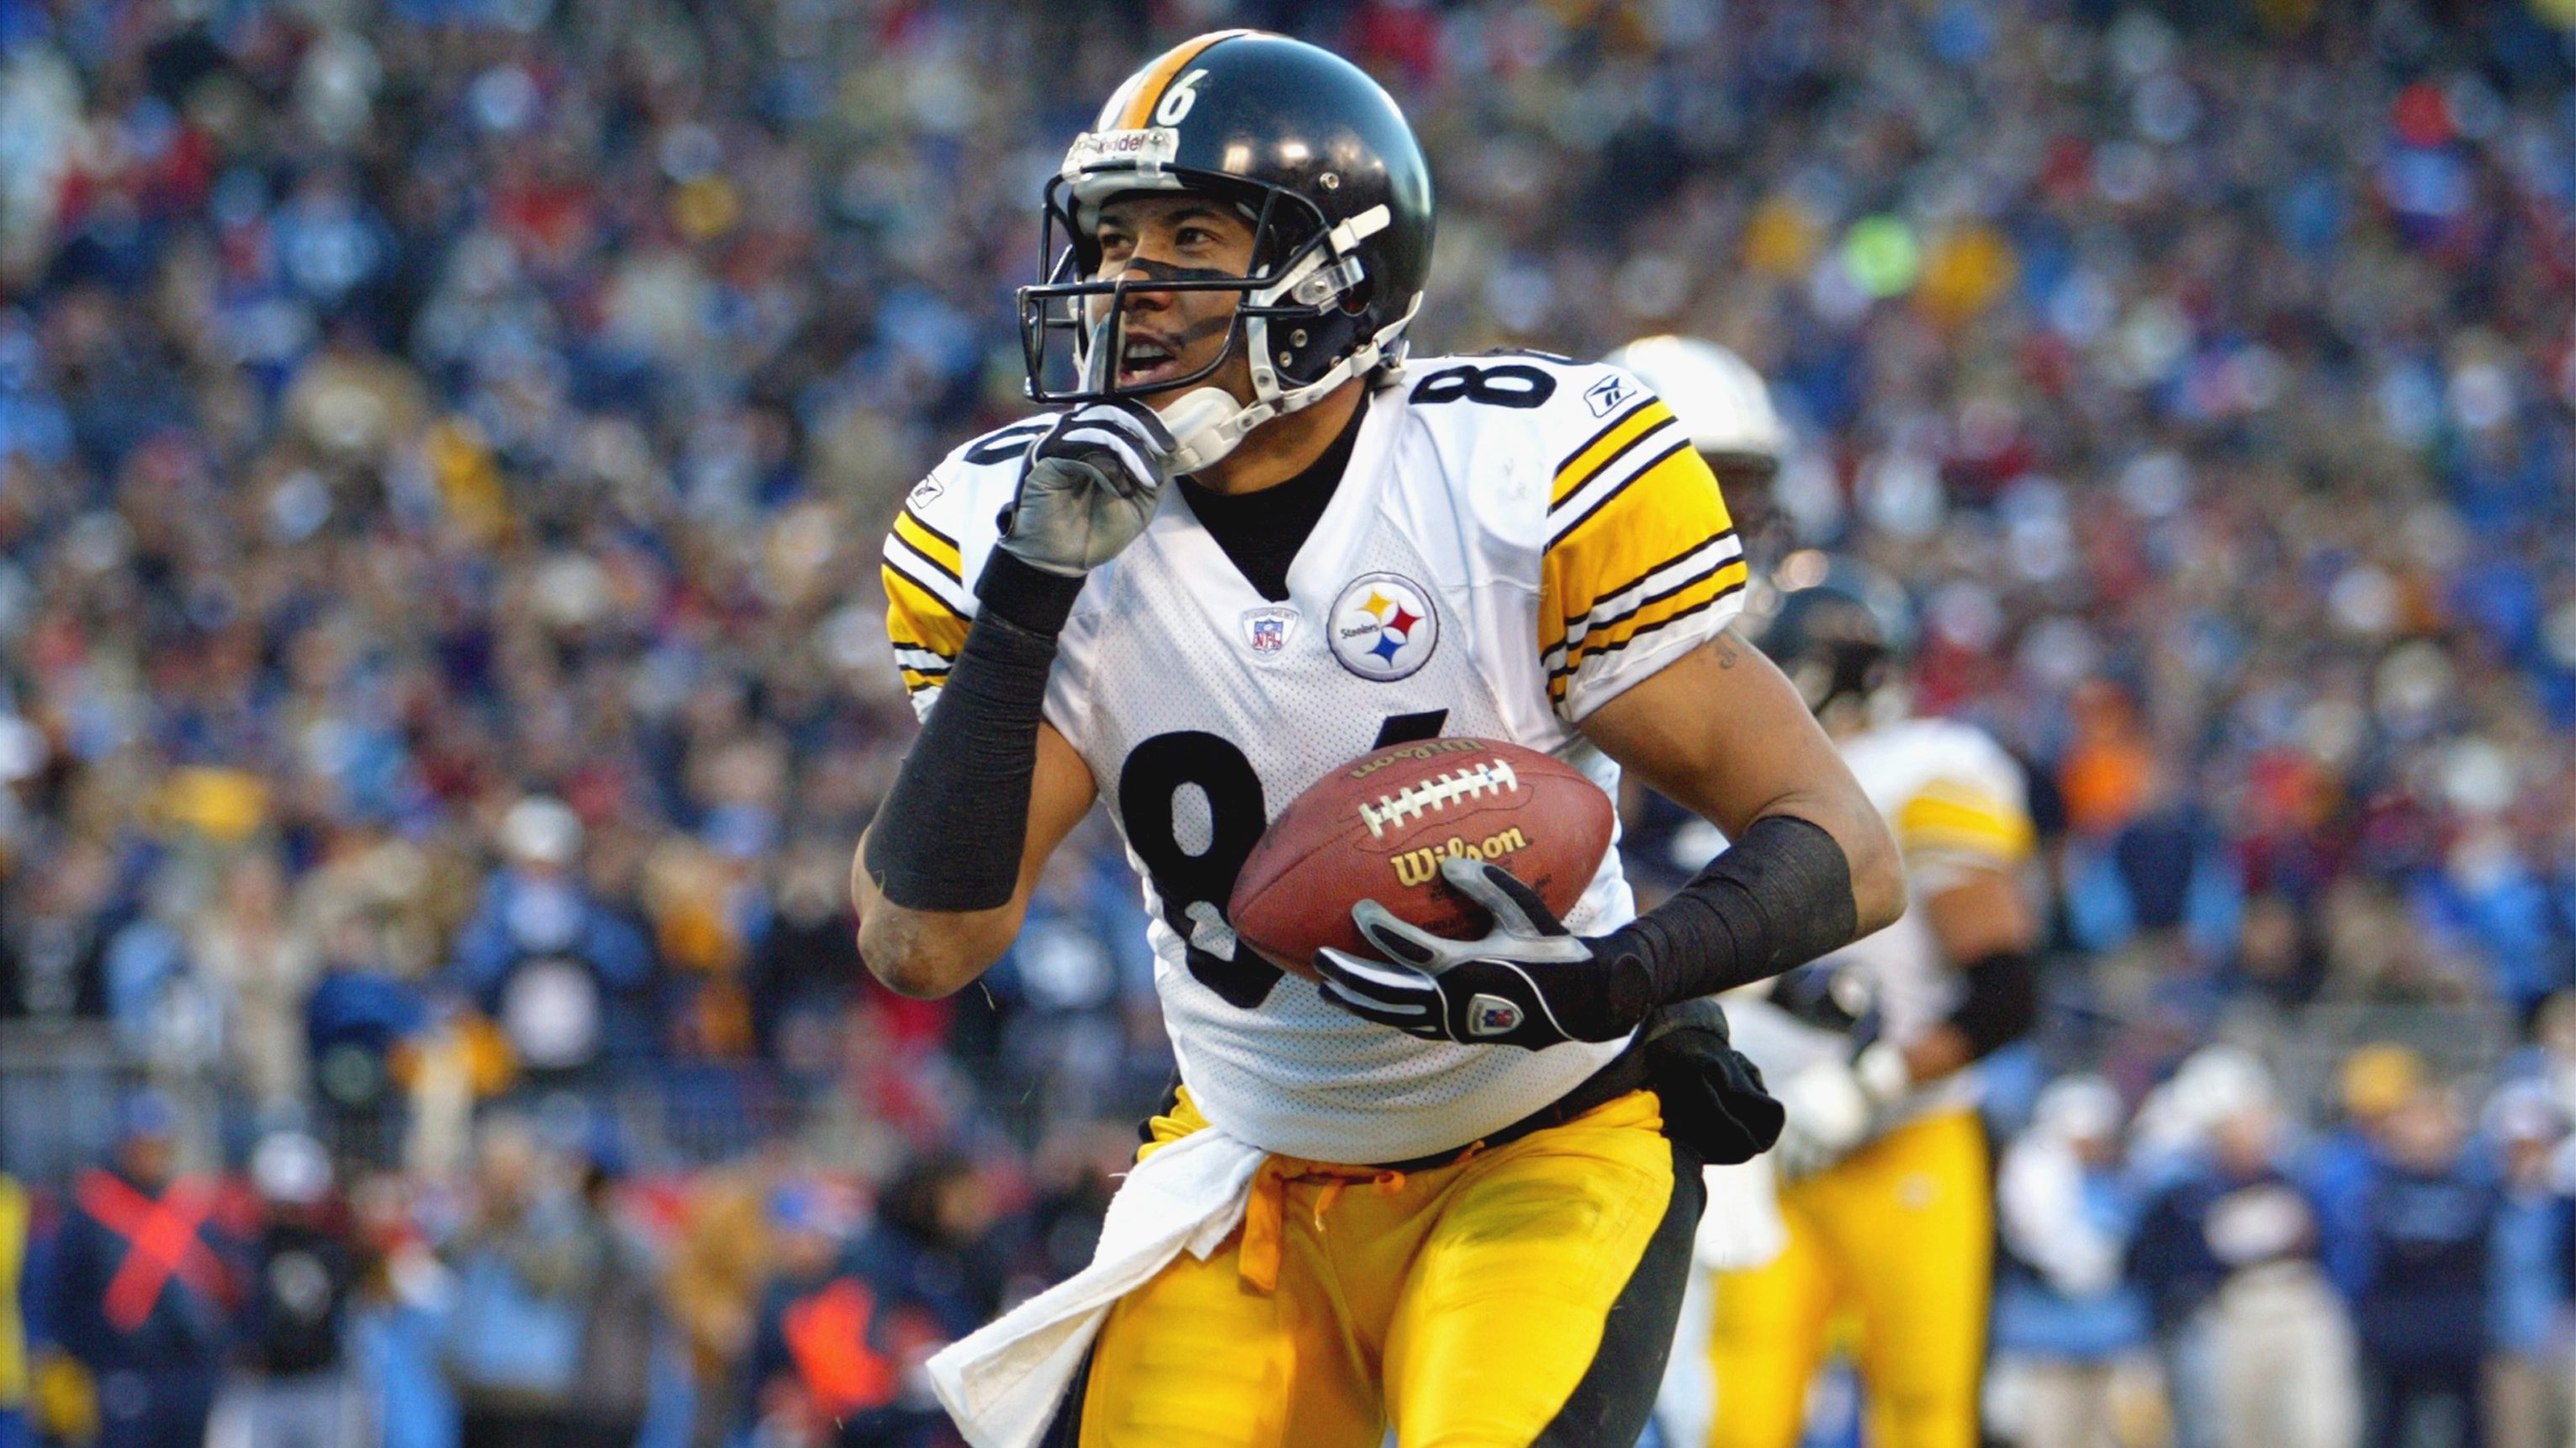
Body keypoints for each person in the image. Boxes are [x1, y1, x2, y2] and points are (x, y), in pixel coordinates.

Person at [852, 29, 1902, 1448]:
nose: (1124, 286)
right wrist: (1031, 587)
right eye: (1112, 240)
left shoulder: (1515, 473)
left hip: (1546, 1136)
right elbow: (924, 946)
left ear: (1333, 270)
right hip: (1254, 1164)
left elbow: (1844, 844)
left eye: (1188, 235)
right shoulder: (998, 519)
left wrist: (1602, 982)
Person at [1662, 555, 2040, 1448]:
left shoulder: (1927, 768)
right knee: (1736, 1405)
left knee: (1922, 1407)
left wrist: (1870, 1087)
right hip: (1762, 1142)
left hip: (1904, 1132)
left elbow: (2006, 995)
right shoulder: (1730, 783)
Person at [42, 1091, 241, 1448]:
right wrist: (98, 1355)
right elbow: (64, 1297)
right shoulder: (93, 1212)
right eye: (141, 1146)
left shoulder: (191, 1209)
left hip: (190, 1373)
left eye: (159, 1146)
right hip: (125, 1371)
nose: (150, 1157)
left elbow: (225, 1287)